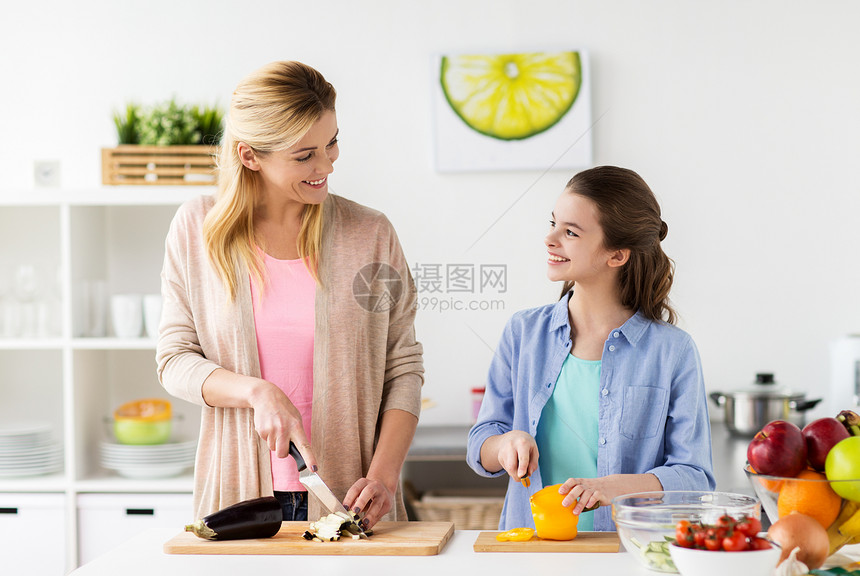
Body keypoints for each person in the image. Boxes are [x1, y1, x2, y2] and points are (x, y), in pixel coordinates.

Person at [156, 61, 423, 529]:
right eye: (304, 156)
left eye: (332, 142)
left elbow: (403, 367)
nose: (327, 165)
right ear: (249, 156)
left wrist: (382, 476)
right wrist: (256, 392)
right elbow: (174, 360)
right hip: (239, 498)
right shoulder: (197, 229)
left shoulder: (370, 233)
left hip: (351, 499)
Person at [466, 166, 714, 531]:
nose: (550, 239)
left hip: (627, 555)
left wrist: (615, 488)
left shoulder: (672, 352)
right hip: (532, 552)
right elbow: (481, 443)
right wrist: (505, 444)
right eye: (553, 224)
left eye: (570, 232)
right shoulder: (524, 333)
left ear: (617, 255)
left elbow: (695, 479)